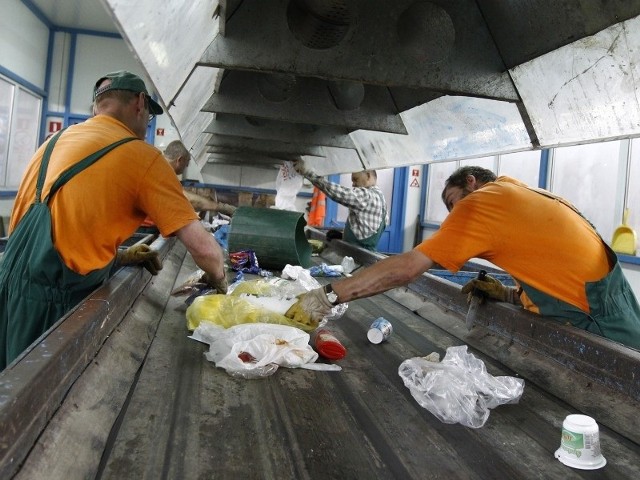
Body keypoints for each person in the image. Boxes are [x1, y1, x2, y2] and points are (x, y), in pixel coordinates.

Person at [0, 70, 228, 370]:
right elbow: (205, 251)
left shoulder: (55, 141)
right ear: (139, 103)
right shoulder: (142, 156)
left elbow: (64, 228)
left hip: (7, 291)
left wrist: (118, 258)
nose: (147, 123)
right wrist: (220, 282)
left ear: (99, 107)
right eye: (148, 115)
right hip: (53, 313)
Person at [286, 165, 640, 350]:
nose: (455, 217)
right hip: (614, 302)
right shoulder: (517, 191)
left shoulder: (480, 203)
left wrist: (327, 295)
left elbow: (407, 268)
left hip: (596, 318)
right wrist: (512, 294)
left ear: (471, 183)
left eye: (453, 203)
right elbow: (553, 269)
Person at [139, 140, 236, 233]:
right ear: (179, 160)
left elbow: (181, 195)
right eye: (186, 163)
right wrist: (223, 208)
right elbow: (187, 199)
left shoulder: (157, 166)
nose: (187, 166)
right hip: (144, 228)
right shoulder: (161, 172)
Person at [293, 160, 387, 251]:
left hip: (359, 256)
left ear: (368, 176)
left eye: (355, 179)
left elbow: (340, 193)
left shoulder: (368, 196)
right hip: (361, 253)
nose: (353, 184)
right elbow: (366, 229)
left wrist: (308, 173)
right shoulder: (382, 200)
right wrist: (342, 235)